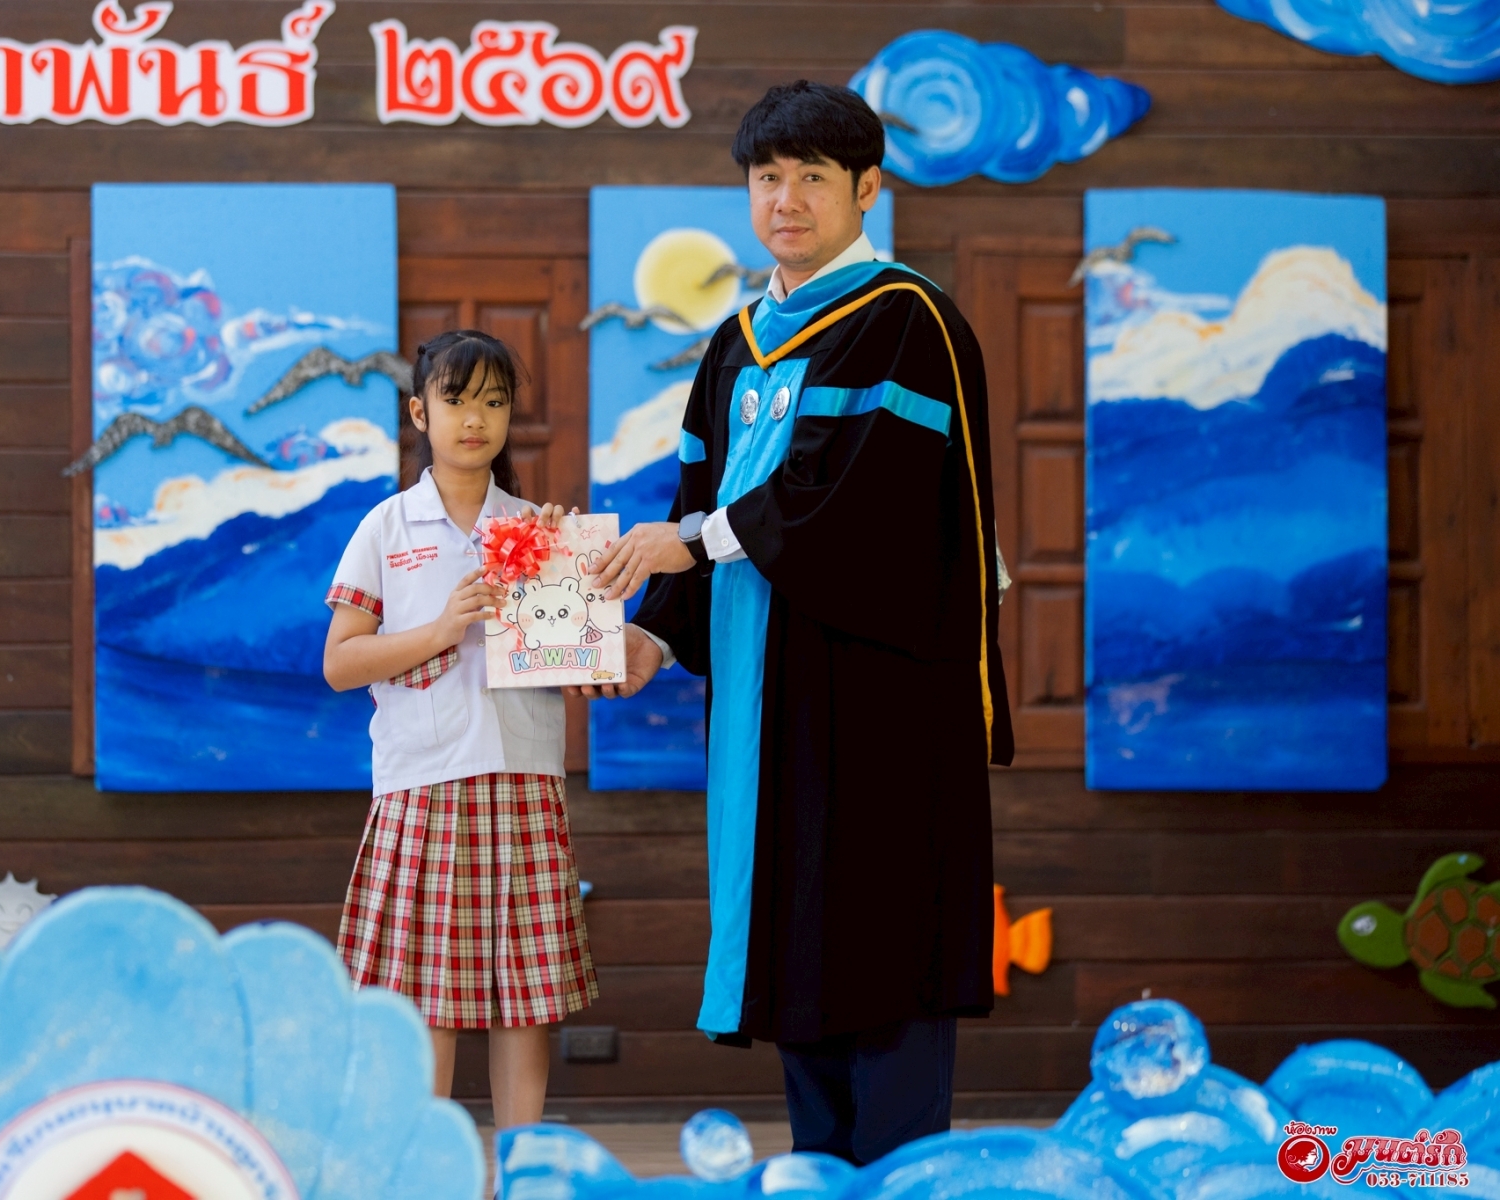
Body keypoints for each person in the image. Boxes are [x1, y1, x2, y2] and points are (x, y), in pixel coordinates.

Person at [580, 82, 1015, 1164]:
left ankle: (904, 1184)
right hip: (768, 705)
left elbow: (858, 500)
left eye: (811, 177)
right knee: (801, 946)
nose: (784, 200)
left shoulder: (907, 322)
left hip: (880, 698)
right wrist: (654, 638)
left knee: (882, 945)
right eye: (766, 178)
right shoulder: (735, 344)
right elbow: (698, 500)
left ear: (867, 188)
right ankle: (825, 1180)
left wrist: (694, 545)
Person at [323, 329, 599, 1128]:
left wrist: (590, 628)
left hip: (524, 778)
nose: (475, 419)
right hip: (422, 782)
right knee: (426, 1001)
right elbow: (340, 662)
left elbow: (576, 660)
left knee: (524, 1004)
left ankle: (522, 1169)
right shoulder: (387, 527)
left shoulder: (541, 529)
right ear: (420, 412)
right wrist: (443, 629)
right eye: (456, 400)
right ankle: (430, 1172)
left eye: (494, 401)